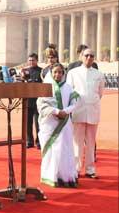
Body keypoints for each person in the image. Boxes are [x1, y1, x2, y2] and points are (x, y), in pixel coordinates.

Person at [37, 63, 79, 188]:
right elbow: (41, 105)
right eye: (55, 72)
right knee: (52, 150)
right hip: (50, 124)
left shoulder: (69, 88)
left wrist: (64, 112)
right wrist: (56, 111)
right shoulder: (45, 88)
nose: (57, 74)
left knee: (65, 149)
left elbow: (74, 103)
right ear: (51, 73)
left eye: (60, 72)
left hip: (65, 123)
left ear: (63, 73)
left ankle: (65, 176)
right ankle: (51, 176)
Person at [66, 48, 105, 179]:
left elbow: (100, 93)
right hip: (78, 110)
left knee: (91, 141)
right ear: (81, 57)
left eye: (91, 56)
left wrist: (91, 101)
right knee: (77, 142)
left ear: (94, 58)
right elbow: (69, 91)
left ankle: (90, 169)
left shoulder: (99, 74)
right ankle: (76, 169)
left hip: (93, 110)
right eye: (86, 55)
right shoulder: (73, 73)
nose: (89, 58)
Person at [20, 53, 43, 149]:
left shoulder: (41, 71)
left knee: (39, 123)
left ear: (37, 60)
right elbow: (21, 84)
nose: (31, 62)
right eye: (29, 60)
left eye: (33, 60)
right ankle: (29, 141)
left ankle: (39, 142)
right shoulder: (24, 71)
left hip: (38, 101)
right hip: (28, 101)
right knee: (27, 123)